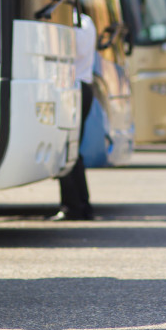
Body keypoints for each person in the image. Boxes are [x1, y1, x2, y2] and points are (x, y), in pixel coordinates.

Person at [53, 12, 95, 221]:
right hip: (84, 86)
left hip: (74, 88)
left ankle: (72, 206)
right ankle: (82, 203)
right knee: (73, 150)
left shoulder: (72, 23)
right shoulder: (87, 22)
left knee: (67, 149)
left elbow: (70, 51)